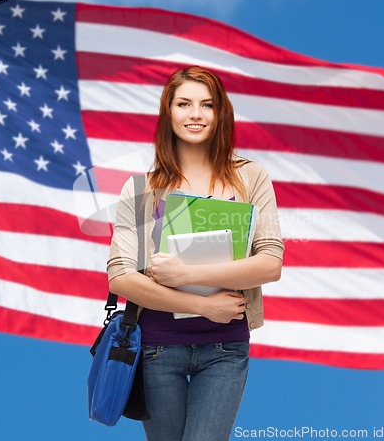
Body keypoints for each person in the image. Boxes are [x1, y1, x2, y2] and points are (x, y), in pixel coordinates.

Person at [107, 66, 284, 441]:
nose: (196, 114)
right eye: (184, 103)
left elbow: (270, 264)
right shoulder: (141, 190)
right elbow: (121, 277)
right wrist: (204, 305)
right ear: (168, 112)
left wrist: (187, 274)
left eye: (207, 105)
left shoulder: (251, 178)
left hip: (225, 347)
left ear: (220, 114)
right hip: (157, 349)